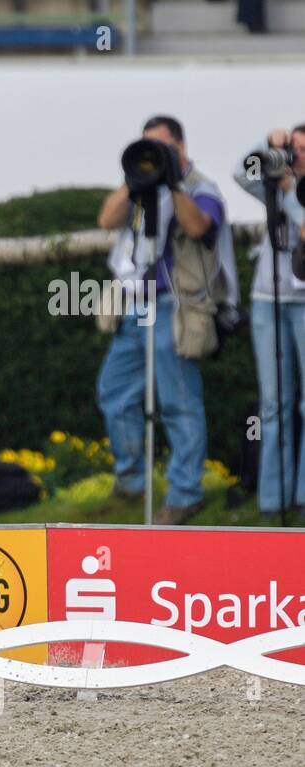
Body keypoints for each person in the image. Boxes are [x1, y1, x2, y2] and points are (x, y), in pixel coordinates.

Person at [96, 115, 238, 525]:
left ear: (181, 147)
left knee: (178, 402)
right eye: (146, 146)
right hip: (134, 304)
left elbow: (198, 226)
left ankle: (185, 494)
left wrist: (171, 180)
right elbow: (107, 220)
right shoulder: (141, 188)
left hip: (176, 306)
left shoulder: (200, 188)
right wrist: (134, 174)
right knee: (115, 391)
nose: (153, 155)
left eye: (159, 147)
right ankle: (131, 481)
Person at [232, 125, 305, 515]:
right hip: (268, 300)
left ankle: (303, 495)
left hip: (303, 303)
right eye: (292, 149)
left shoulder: (291, 194)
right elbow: (241, 173)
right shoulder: (274, 189)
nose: (295, 157)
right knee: (274, 403)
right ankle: (273, 498)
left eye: (302, 150)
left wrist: (292, 190)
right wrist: (265, 147)